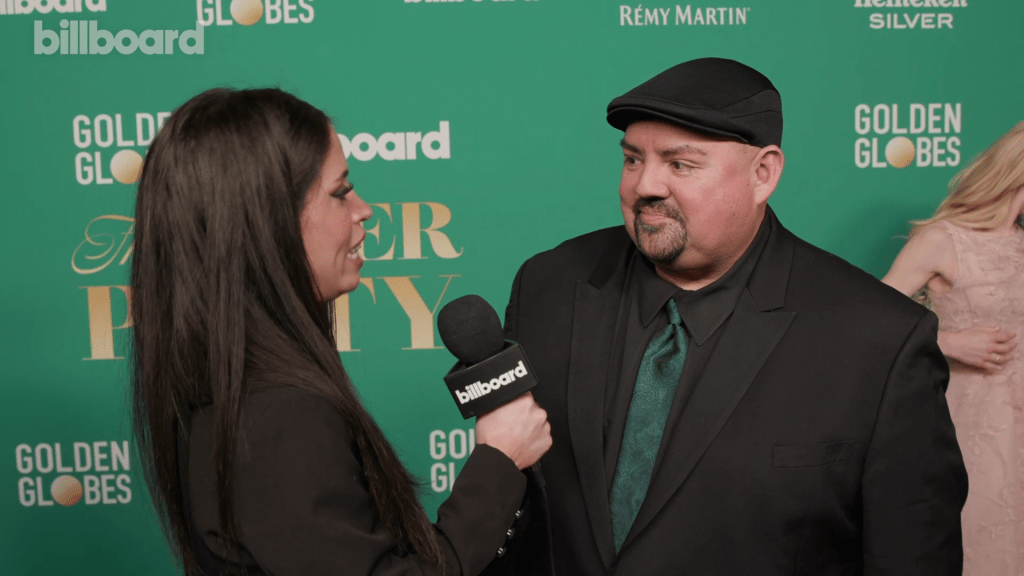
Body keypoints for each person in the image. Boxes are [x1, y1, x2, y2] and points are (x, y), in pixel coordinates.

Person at [491, 58, 968, 575]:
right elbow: (513, 508)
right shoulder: (548, 287)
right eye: (632, 160)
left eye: (680, 164)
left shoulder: (879, 338)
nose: (645, 186)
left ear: (763, 173)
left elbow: (914, 558)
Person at [130, 87, 552, 576]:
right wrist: (497, 461)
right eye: (339, 192)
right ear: (267, 221)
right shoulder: (275, 416)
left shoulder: (234, 391)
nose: (363, 210)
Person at [882, 121, 1024, 576]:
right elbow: (867, 325)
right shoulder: (944, 239)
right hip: (972, 422)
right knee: (978, 542)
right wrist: (947, 342)